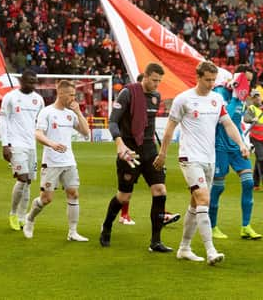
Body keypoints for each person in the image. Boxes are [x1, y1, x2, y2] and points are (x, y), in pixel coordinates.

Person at [157, 61, 249, 265]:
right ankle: (210, 251)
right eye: (207, 80)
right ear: (198, 77)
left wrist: (241, 144)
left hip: (209, 158)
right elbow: (170, 129)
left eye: (213, 80)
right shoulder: (184, 99)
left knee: (195, 203)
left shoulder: (217, 99)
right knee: (203, 199)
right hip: (189, 157)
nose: (210, 84)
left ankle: (184, 248)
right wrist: (163, 153)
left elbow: (228, 124)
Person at [100, 63, 173, 252]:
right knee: (124, 196)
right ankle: (107, 226)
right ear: (145, 76)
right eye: (154, 80)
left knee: (160, 191)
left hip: (149, 150)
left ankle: (155, 241)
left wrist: (160, 152)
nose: (157, 84)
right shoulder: (128, 93)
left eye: (159, 81)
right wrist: (120, 144)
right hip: (129, 151)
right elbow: (113, 121)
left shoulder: (156, 97)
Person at [23, 80, 90, 240]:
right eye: (71, 95)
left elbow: (86, 132)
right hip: (51, 162)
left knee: (73, 194)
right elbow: (38, 134)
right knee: (46, 199)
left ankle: (72, 232)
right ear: (61, 93)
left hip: (69, 161)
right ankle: (30, 218)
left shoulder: (71, 114)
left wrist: (79, 113)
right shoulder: (47, 112)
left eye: (75, 95)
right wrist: (52, 144)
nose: (73, 98)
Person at [209, 65, 261, 240]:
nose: (247, 83)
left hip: (237, 146)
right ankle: (212, 226)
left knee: (248, 183)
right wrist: (233, 96)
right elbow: (227, 119)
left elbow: (240, 120)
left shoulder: (241, 97)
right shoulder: (220, 93)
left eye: (250, 80)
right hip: (220, 146)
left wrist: (244, 143)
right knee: (218, 187)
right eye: (245, 79)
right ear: (237, 77)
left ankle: (245, 227)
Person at [1, 70, 44, 231]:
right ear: (22, 81)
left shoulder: (38, 100)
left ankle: (21, 216)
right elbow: (4, 121)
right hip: (15, 144)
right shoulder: (10, 97)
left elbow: (40, 122)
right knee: (22, 178)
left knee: (29, 182)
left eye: (35, 81)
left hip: (31, 145)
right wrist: (5, 144)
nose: (32, 84)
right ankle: (12, 213)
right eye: (29, 81)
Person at [244, 90, 263, 190]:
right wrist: (252, 119)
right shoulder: (251, 108)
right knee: (261, 158)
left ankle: (256, 184)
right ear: (252, 99)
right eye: (255, 97)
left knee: (259, 160)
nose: (257, 98)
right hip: (255, 138)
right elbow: (246, 118)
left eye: (258, 96)